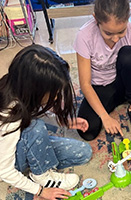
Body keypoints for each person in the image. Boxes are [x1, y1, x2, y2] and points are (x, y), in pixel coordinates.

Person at [0, 44, 92, 199]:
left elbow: (34, 112)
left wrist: (64, 122)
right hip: (9, 161)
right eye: (54, 93)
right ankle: (41, 176)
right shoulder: (10, 116)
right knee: (35, 127)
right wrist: (40, 191)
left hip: (22, 143)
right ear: (35, 90)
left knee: (83, 152)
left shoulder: (20, 89)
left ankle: (37, 163)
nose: (56, 97)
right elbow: (4, 170)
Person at [73, 0, 131, 141]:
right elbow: (85, 84)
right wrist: (104, 116)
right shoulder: (84, 36)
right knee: (87, 131)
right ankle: (112, 103)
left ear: (127, 19)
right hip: (100, 88)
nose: (115, 39)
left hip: (123, 83)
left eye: (121, 32)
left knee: (129, 55)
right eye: (108, 33)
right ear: (96, 19)